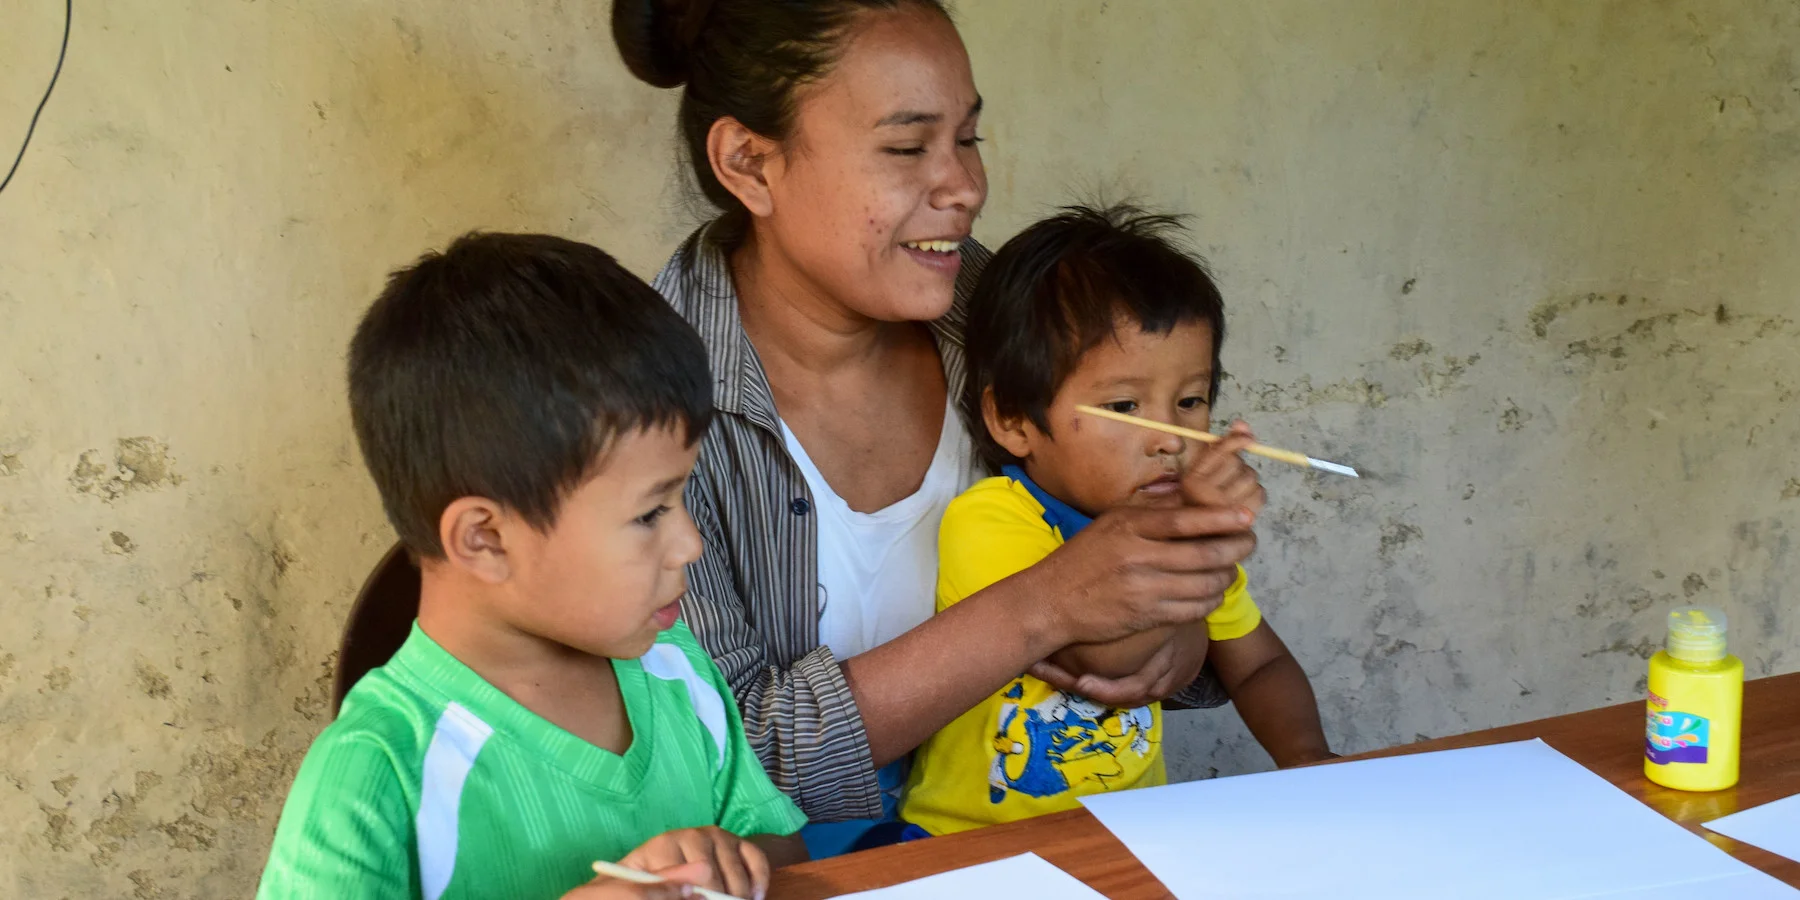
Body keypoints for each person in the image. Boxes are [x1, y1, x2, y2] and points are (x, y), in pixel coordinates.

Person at [612, 0, 1267, 854]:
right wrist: (1041, 608)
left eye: (968, 138)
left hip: (1051, 852)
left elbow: (1141, 532)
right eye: (905, 147)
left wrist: (1174, 631)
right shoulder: (639, 401)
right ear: (750, 163)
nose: (964, 188)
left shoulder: (1005, 315)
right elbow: (725, 759)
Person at [257, 234, 806, 900]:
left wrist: (727, 860)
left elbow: (782, 856)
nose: (690, 543)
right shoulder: (378, 770)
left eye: (681, 494)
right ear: (485, 540)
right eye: (649, 514)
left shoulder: (674, 669)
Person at [901, 205, 1333, 835]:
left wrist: (1307, 758)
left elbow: (1259, 664)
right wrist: (1197, 533)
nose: (1171, 439)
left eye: (1190, 401)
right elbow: (1109, 661)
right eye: (1127, 406)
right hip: (968, 847)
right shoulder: (994, 521)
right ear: (1014, 421)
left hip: (1127, 835)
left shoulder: (1185, 533)